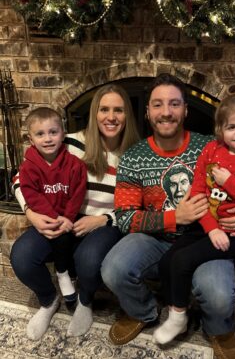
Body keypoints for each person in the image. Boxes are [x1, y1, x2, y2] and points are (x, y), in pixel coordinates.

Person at [101, 73, 235, 359]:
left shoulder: (213, 147)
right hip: (155, 238)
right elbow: (124, 218)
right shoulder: (134, 157)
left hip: (204, 239)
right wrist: (176, 217)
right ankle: (142, 312)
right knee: (113, 268)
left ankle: (219, 329)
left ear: (186, 110)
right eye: (158, 104)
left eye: (174, 104)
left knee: (219, 296)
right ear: (148, 112)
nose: (166, 112)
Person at [10, 84, 140, 341]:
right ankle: (48, 300)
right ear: (94, 113)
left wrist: (102, 220)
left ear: (128, 115)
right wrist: (30, 212)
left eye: (118, 110)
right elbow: (21, 177)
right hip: (58, 216)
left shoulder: (135, 154)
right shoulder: (66, 140)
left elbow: (136, 206)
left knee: (88, 259)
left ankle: (85, 301)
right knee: (22, 257)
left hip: (104, 222)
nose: (111, 117)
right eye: (104, 109)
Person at [152, 88, 235, 346]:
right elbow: (198, 192)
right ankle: (179, 303)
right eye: (233, 126)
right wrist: (211, 228)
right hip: (207, 227)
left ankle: (178, 317)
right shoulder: (212, 151)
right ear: (221, 130)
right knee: (167, 261)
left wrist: (229, 182)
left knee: (183, 261)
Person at [19, 107, 87, 303]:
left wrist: (68, 217)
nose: (47, 139)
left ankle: (64, 272)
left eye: (53, 132)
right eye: (40, 134)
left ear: (62, 134)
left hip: (69, 217)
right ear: (31, 140)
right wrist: (55, 218)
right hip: (48, 219)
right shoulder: (28, 167)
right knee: (59, 235)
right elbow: (32, 195)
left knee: (65, 237)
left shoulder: (75, 164)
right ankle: (62, 276)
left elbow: (78, 193)